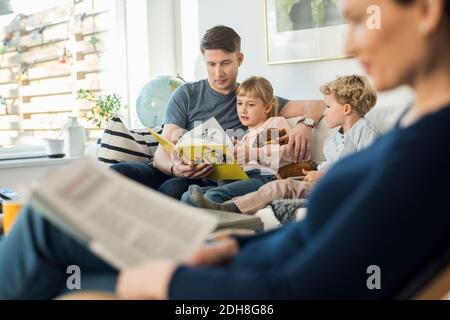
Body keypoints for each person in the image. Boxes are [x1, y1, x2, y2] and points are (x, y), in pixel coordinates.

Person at [0, 0, 450, 299]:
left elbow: (296, 291)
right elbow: (309, 244)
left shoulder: (428, 154)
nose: (350, 43)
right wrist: (229, 249)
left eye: (358, 19)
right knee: (60, 213)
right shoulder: (414, 129)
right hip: (230, 259)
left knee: (45, 228)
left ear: (427, 10)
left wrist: (169, 280)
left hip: (229, 289)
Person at [109, 25, 325, 200]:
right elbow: (161, 151)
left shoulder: (251, 99)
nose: (218, 73)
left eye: (225, 63)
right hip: (172, 169)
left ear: (239, 59)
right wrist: (175, 168)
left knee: (173, 190)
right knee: (118, 172)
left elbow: (319, 105)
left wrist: (305, 124)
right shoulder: (187, 94)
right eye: (211, 64)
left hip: (205, 178)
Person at [188, 74, 380, 214]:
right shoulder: (334, 140)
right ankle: (225, 207)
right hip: (311, 180)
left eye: (328, 107)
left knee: (277, 187)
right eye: (240, 103)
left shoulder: (272, 126)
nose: (325, 111)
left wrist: (322, 173)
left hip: (269, 177)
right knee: (190, 196)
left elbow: (370, 166)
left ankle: (226, 210)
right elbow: (329, 163)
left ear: (346, 108)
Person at [181, 76, 297, 207]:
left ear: (267, 107)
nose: (243, 110)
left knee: (212, 196)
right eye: (240, 103)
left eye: (250, 104)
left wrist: (253, 153)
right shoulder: (244, 136)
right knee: (187, 197)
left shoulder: (273, 124)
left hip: (265, 178)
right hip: (243, 178)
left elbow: (286, 152)